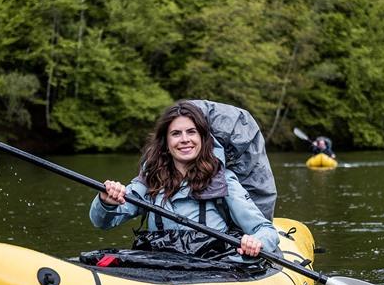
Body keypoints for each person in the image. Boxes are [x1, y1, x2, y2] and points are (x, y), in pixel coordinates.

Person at [89, 100, 280, 261]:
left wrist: (257, 241)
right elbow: (103, 222)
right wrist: (106, 202)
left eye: (191, 132)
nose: (184, 139)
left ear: (203, 138)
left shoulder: (224, 181)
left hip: (213, 267)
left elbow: (265, 229)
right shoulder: (150, 180)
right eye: (176, 134)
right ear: (166, 142)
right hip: (160, 267)